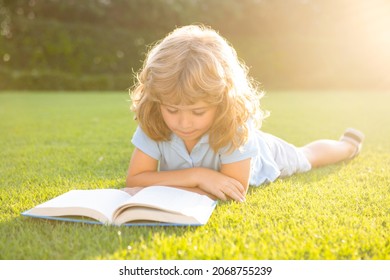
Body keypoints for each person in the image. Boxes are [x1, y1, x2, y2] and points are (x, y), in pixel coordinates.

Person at [124, 25, 364, 202]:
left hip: (265, 156)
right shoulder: (155, 120)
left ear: (222, 101)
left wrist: (164, 184)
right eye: (172, 110)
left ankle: (348, 146)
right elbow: (134, 180)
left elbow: (233, 189)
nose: (184, 122)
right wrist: (199, 175)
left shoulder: (235, 127)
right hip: (207, 170)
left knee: (306, 156)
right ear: (157, 102)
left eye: (198, 111)